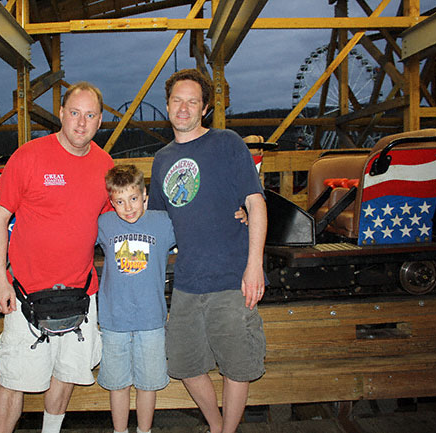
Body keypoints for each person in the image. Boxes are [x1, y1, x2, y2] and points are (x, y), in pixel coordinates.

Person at [0, 81, 114, 433]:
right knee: (14, 377)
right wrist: (0, 279)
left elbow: (123, 213)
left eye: (90, 115)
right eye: (74, 113)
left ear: (100, 121)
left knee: (69, 371)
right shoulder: (28, 156)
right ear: (61, 113)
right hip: (26, 293)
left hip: (81, 292)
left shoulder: (105, 165)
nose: (80, 122)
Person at [148, 68, 267, 433]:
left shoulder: (228, 143)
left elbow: (256, 202)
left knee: (238, 365)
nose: (183, 108)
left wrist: (254, 266)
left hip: (232, 278)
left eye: (192, 102)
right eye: (177, 101)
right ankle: (216, 425)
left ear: (204, 108)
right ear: (167, 106)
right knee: (182, 363)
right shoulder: (162, 159)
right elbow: (155, 222)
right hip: (186, 282)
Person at [96, 164, 176, 433]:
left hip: (151, 319)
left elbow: (198, 228)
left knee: (147, 383)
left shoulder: (163, 222)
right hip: (113, 320)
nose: (128, 207)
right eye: (119, 201)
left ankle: (144, 430)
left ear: (145, 196)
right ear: (111, 202)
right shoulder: (104, 223)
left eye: (133, 199)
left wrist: (239, 214)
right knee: (118, 384)